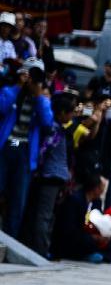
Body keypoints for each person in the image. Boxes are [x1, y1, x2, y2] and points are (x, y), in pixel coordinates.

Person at [0, 58, 53, 238]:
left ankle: (9, 241)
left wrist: (38, 95)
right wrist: (18, 86)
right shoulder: (10, 90)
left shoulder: (41, 99)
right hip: (5, 148)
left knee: (17, 200)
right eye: (30, 73)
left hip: (24, 152)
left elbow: (47, 122)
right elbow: (1, 106)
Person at [21, 91, 75, 257]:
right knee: (44, 215)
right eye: (69, 112)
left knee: (45, 215)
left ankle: (41, 247)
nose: (71, 116)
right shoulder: (54, 130)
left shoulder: (58, 128)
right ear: (61, 113)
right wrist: (37, 168)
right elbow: (44, 150)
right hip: (50, 176)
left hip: (54, 176)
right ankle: (41, 250)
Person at [50, 174, 111, 263]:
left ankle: (96, 254)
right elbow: (69, 229)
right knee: (88, 241)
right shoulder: (75, 200)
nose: (103, 191)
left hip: (89, 234)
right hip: (74, 237)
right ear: (95, 188)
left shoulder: (96, 202)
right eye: (101, 187)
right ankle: (87, 255)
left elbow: (99, 221)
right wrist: (93, 237)